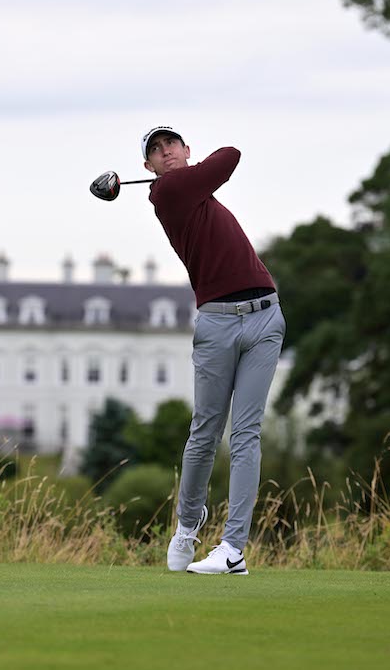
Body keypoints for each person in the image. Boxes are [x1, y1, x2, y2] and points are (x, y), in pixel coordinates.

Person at [140, 126, 285, 575]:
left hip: (266, 316)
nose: (165, 152)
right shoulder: (167, 193)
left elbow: (227, 157)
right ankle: (188, 524)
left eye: (171, 145)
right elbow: (230, 155)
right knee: (204, 432)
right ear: (148, 167)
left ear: (186, 149)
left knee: (245, 434)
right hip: (218, 323)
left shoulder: (196, 192)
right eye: (156, 151)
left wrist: (192, 171)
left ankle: (233, 549)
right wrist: (189, 169)